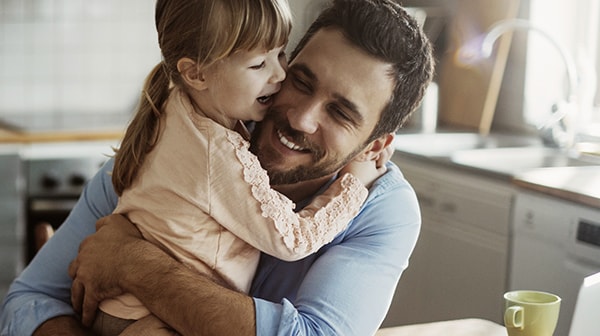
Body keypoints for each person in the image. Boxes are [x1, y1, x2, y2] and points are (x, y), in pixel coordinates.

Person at [0, 0, 434, 335]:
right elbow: (28, 302)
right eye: (300, 81)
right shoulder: (170, 152)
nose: (301, 118)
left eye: (340, 112)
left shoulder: (380, 211)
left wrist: (132, 261)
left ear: (375, 146)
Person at [89, 0, 372, 334]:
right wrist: (355, 183)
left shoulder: (174, 102)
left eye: (280, 54)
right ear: (196, 73)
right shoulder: (218, 155)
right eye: (258, 65)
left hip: (125, 309)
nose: (280, 74)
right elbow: (293, 240)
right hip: (151, 320)